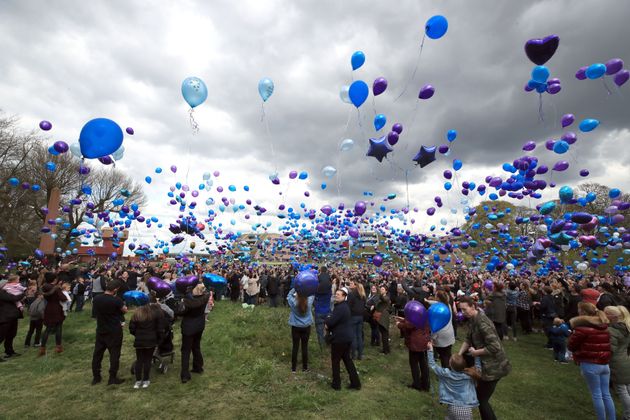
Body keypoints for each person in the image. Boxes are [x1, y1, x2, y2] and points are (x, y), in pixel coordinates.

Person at [458, 296, 511, 420]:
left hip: (495, 367)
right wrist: (459, 354)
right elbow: (468, 338)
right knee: (480, 398)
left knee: (481, 400)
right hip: (486, 365)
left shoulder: (482, 323)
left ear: (473, 307)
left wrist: (476, 352)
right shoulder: (472, 319)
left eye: (465, 309)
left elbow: (495, 346)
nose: (463, 313)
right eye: (461, 310)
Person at [568, 302, 614, 420]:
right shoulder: (604, 327)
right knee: (606, 394)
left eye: (579, 309)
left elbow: (571, 345)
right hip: (604, 364)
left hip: (591, 363)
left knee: (597, 394)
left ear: (583, 312)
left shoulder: (582, 329)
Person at [428, 341, 481, 420]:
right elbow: (478, 368)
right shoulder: (469, 375)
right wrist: (476, 355)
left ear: (450, 365)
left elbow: (432, 365)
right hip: (467, 409)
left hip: (452, 407)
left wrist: (430, 350)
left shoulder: (446, 373)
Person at [92, 279, 127, 385]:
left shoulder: (96, 298)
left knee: (97, 354)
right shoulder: (116, 300)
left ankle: (96, 377)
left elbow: (95, 314)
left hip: (101, 329)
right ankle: (112, 377)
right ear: (115, 289)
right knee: (114, 354)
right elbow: (124, 310)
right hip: (114, 330)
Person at [325, 287, 361, 391]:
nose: (336, 296)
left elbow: (331, 322)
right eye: (336, 294)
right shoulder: (343, 306)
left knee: (335, 361)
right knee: (347, 360)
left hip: (340, 339)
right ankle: (355, 382)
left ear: (344, 297)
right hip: (346, 337)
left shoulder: (341, 308)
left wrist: (327, 320)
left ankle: (336, 384)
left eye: (338, 295)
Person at [178, 283, 209, 384]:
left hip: (189, 327)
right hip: (199, 325)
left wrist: (182, 303)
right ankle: (198, 367)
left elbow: (180, 312)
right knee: (196, 346)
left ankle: (185, 375)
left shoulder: (188, 302)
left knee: (186, 350)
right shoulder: (204, 297)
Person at [603, 305, 630, 420]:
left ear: (612, 316)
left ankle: (628, 414)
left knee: (621, 389)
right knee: (627, 387)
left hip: (617, 362)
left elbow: (611, 349)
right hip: (625, 359)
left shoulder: (613, 330)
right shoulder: (626, 327)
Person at [129, 303, 164, 389]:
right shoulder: (153, 314)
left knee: (139, 360)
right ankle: (145, 380)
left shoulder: (136, 314)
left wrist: (137, 334)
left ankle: (137, 381)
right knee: (147, 360)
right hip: (150, 340)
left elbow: (131, 328)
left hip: (139, 341)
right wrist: (159, 339)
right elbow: (159, 328)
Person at [395, 315, 431, 391]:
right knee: (423, 363)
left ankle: (417, 385)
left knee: (414, 363)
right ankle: (426, 384)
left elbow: (409, 325)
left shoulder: (416, 315)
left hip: (415, 343)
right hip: (424, 341)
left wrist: (399, 324)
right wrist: (404, 319)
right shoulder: (426, 314)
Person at [39, 273, 68, 356]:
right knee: (58, 327)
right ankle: (58, 347)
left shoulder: (43, 287)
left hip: (48, 307)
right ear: (54, 279)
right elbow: (63, 298)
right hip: (56, 308)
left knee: (48, 329)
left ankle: (42, 348)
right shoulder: (55, 288)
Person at [287, 288, 314, 372]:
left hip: (295, 326)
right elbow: (312, 293)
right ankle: (305, 368)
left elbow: (288, 295)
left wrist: (296, 287)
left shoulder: (294, 303)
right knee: (304, 347)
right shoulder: (309, 302)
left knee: (295, 347)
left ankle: (293, 368)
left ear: (297, 294)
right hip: (306, 326)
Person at [0, 275, 25, 361]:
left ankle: (9, 351)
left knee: (11, 335)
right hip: (5, 318)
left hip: (12, 316)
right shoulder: (2, 293)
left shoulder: (8, 292)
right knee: (1, 336)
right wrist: (24, 293)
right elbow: (14, 298)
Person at [432, 290, 456, 367]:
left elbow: (436, 325)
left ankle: (446, 374)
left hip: (441, 335)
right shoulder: (448, 305)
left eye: (435, 295)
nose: (434, 297)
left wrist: (432, 337)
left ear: (438, 298)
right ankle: (450, 370)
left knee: (444, 357)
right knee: (448, 354)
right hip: (449, 333)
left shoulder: (437, 310)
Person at [314, 267, 332, 348]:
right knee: (328, 329)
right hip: (328, 311)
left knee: (320, 331)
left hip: (318, 312)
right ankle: (328, 342)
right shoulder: (329, 291)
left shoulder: (317, 291)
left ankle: (321, 347)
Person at [347, 280, 366, 360]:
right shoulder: (363, 296)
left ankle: (353, 354)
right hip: (360, 317)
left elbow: (348, 305)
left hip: (353, 316)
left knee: (354, 335)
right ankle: (360, 354)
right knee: (359, 336)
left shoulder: (352, 294)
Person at [372, 285, 391, 354]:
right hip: (380, 318)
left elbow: (384, 299)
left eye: (383, 289)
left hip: (383, 318)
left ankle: (386, 350)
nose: (381, 290)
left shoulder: (386, 298)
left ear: (386, 291)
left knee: (385, 334)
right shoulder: (381, 297)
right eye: (381, 289)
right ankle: (386, 349)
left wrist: (380, 294)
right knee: (383, 334)